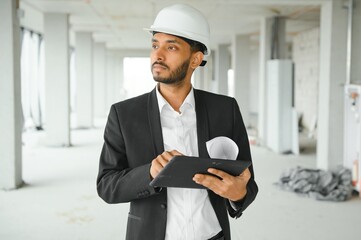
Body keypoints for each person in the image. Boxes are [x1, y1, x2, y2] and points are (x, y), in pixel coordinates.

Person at [96, 3, 258, 240]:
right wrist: (149, 173)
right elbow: (107, 186)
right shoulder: (124, 114)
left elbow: (247, 182)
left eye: (171, 47)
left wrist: (238, 194)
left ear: (195, 59)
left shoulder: (225, 109)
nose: (158, 55)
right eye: (155, 45)